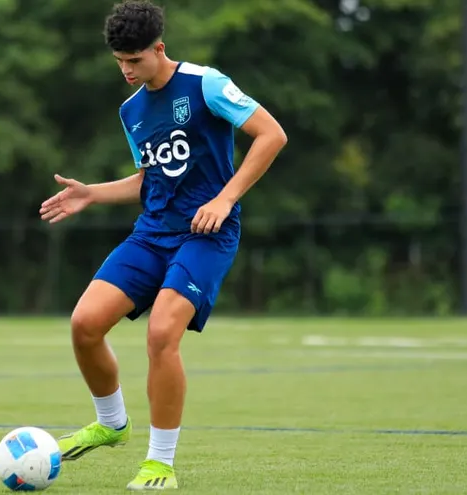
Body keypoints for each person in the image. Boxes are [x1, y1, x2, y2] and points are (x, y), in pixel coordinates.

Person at [38, 0, 287, 490]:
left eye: (135, 60)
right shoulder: (131, 111)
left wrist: (225, 197)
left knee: (161, 333)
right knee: (85, 324)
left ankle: (160, 463)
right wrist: (92, 193)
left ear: (159, 48)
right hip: (151, 234)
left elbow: (271, 135)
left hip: (206, 235)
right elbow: (151, 181)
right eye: (119, 62)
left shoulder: (205, 84)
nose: (127, 71)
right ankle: (111, 424)